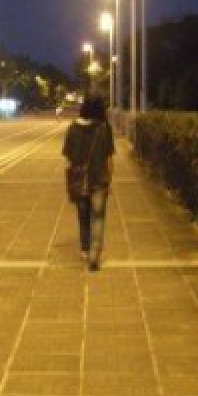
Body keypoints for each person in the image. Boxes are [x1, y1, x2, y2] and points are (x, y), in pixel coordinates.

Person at [62, 96, 115, 271]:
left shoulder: (72, 128)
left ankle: (85, 249)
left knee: (83, 217)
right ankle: (94, 255)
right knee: (98, 218)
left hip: (79, 181)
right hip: (99, 180)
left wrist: (70, 180)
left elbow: (68, 159)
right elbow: (109, 160)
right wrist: (109, 181)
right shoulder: (104, 129)